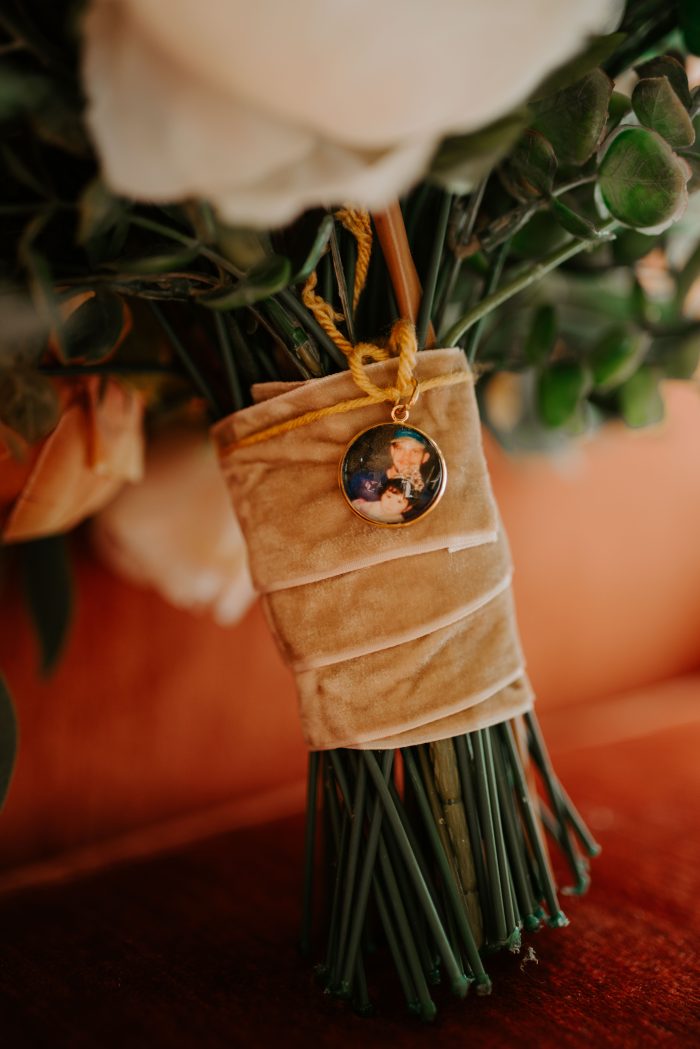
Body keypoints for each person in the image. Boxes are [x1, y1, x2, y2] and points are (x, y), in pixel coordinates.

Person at [347, 427, 439, 519]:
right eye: (400, 449)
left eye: (415, 451)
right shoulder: (361, 480)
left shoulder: (426, 501)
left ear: (425, 458)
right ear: (392, 451)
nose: (406, 458)